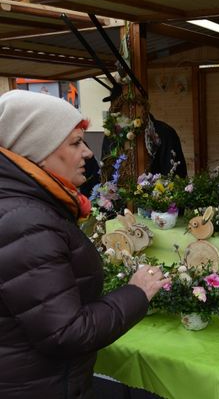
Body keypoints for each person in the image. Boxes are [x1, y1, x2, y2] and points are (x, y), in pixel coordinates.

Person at [0, 90, 169, 398]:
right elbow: (65, 332)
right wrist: (137, 292)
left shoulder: (28, 207)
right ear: (38, 150)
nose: (89, 153)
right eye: (76, 143)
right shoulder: (27, 222)